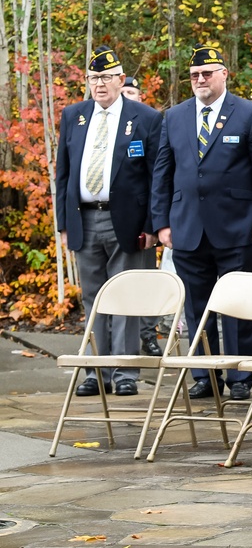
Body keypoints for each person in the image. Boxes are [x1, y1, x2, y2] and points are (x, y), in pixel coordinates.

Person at [151, 43, 252, 402]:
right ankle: (204, 374)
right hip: (187, 226)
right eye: (194, 75)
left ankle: (240, 375)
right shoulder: (174, 117)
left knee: (239, 305)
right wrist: (162, 221)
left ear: (224, 74)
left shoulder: (249, 113)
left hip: (238, 226)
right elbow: (162, 173)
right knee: (196, 305)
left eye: (207, 73)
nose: (200, 80)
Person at [55, 45, 163, 396]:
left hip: (128, 223)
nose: (99, 84)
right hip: (84, 220)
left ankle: (125, 371)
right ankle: (95, 371)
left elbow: (155, 178)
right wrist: (63, 222)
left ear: (120, 79)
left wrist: (151, 226)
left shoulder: (145, 117)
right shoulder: (74, 115)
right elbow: (64, 174)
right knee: (93, 296)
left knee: (126, 296)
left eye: (105, 77)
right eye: (93, 78)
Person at [118, 74, 163, 357]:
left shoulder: (150, 123)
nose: (126, 97)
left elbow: (157, 176)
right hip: (114, 220)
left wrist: (154, 222)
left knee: (146, 279)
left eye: (131, 92)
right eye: (123, 91)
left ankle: (148, 334)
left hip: (143, 221)